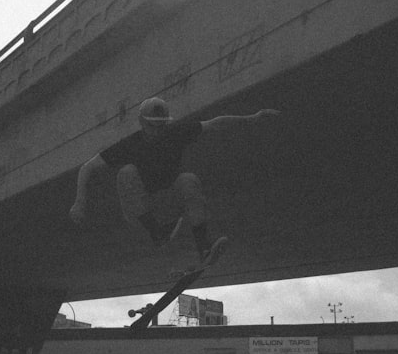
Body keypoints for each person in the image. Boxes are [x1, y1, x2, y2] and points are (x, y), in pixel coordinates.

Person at [69, 96, 280, 267]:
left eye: (161, 127)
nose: (157, 132)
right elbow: (87, 167)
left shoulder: (176, 132)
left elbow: (216, 123)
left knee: (189, 180)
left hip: (168, 201)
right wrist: (80, 201)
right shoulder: (130, 144)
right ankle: (156, 232)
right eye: (152, 127)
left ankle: (203, 246)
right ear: (142, 123)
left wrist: (253, 117)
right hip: (140, 209)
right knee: (126, 171)